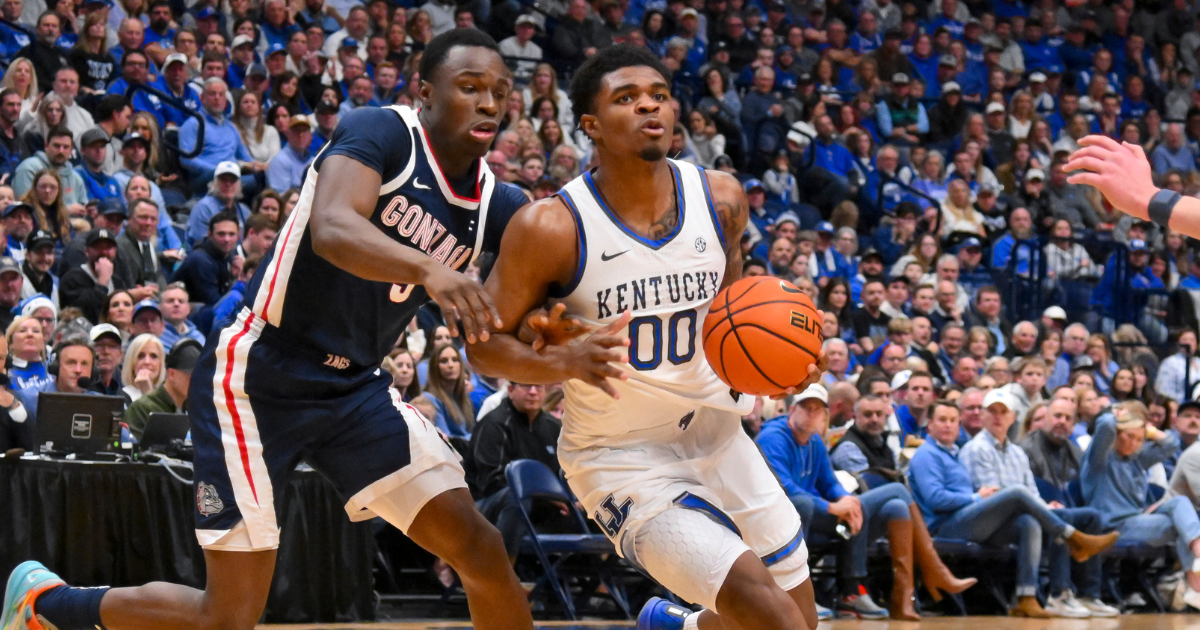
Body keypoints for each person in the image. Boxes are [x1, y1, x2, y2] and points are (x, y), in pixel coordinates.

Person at [1, 28, 537, 630]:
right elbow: (333, 228)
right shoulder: (383, 130)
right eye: (470, 87)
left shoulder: (500, 204)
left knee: (482, 549)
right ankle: (45, 605)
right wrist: (430, 269)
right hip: (258, 372)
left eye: (500, 92)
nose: (489, 103)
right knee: (227, 617)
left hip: (354, 389)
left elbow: (520, 313)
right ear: (425, 92)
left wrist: (563, 340)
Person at [469, 46, 824, 630]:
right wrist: (566, 361)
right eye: (627, 98)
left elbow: (731, 320)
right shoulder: (551, 226)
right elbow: (481, 347)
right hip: (619, 457)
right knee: (770, 615)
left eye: (659, 95)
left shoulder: (721, 199)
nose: (648, 106)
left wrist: (781, 366)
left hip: (716, 433)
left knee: (799, 620)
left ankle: (679, 625)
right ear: (590, 125)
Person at [760, 385, 975, 620]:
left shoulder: (814, 441)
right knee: (892, 491)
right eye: (806, 407)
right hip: (779, 518)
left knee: (893, 507)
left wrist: (846, 499)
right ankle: (934, 569)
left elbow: (829, 483)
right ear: (792, 410)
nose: (811, 413)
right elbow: (784, 487)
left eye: (817, 409)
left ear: (825, 415)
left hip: (814, 513)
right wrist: (831, 506)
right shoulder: (774, 437)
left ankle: (861, 594)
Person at [908, 398, 1119, 618]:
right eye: (942, 420)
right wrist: (975, 497)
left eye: (953, 420)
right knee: (1016, 492)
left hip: (967, 519)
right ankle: (1072, 537)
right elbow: (936, 500)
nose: (948, 425)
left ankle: (1026, 597)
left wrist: (1040, 506)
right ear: (929, 424)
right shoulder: (926, 454)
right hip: (944, 527)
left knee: (1029, 523)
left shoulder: (952, 453)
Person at [1081, 401, 1200, 609]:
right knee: (1182, 525)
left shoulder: (1136, 460)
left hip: (1138, 521)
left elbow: (1171, 444)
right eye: (1129, 436)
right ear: (1118, 434)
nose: (1134, 443)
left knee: (1180, 502)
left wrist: (1149, 431)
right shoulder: (1100, 459)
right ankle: (1195, 584)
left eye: (1139, 439)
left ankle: (1196, 564)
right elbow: (1105, 426)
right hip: (1113, 527)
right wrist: (1117, 413)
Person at [470, 381, 562, 559]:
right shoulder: (494, 424)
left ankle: (603, 574)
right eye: (526, 386)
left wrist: (574, 498)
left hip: (542, 506)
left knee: (596, 504)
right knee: (516, 498)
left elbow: (566, 473)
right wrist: (546, 497)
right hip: (485, 506)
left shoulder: (553, 426)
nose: (533, 392)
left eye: (538, 387)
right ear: (511, 390)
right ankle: (500, 570)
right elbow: (492, 482)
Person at [124, 338, 199, 440]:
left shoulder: (194, 411)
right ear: (171, 374)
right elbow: (136, 448)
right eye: (191, 377)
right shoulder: (142, 409)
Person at [173, 212, 238, 306]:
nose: (227, 239)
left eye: (231, 234)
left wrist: (234, 278)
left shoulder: (229, 255)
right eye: (221, 234)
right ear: (209, 234)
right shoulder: (200, 261)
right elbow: (216, 305)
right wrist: (241, 280)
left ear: (238, 235)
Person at [158, 283, 204, 350]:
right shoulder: (154, 333)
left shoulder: (198, 337)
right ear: (159, 307)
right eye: (170, 301)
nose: (176, 304)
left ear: (188, 309)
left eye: (181, 301)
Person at [88, 323, 125, 396]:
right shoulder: (79, 389)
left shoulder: (125, 390)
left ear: (120, 354)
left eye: (112, 346)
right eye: (99, 345)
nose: (106, 351)